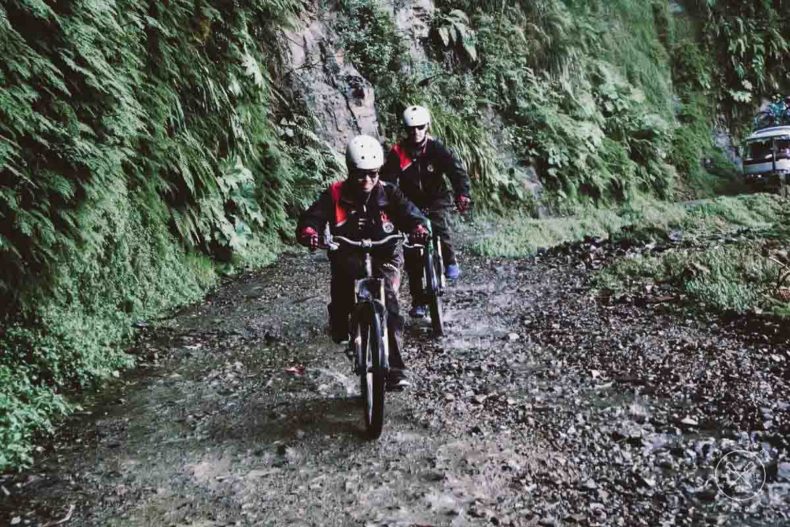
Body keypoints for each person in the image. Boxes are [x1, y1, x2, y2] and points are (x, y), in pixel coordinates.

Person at [296, 135, 429, 389]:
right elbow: (312, 217)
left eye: (372, 174)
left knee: (389, 305)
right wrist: (310, 233)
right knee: (342, 299)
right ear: (350, 171)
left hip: (385, 254)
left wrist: (419, 228)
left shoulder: (390, 192)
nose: (367, 181)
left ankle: (396, 370)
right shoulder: (334, 193)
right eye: (360, 175)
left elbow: (411, 214)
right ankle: (342, 327)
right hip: (348, 254)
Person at [380, 105, 472, 319]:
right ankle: (418, 300)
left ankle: (450, 260)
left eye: (420, 127)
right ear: (406, 129)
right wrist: (390, 206)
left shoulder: (436, 148)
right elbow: (388, 182)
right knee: (412, 252)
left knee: (439, 226)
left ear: (426, 126)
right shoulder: (397, 153)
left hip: (437, 198)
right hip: (410, 203)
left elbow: (455, 171)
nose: (416, 132)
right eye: (411, 128)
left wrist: (462, 193)